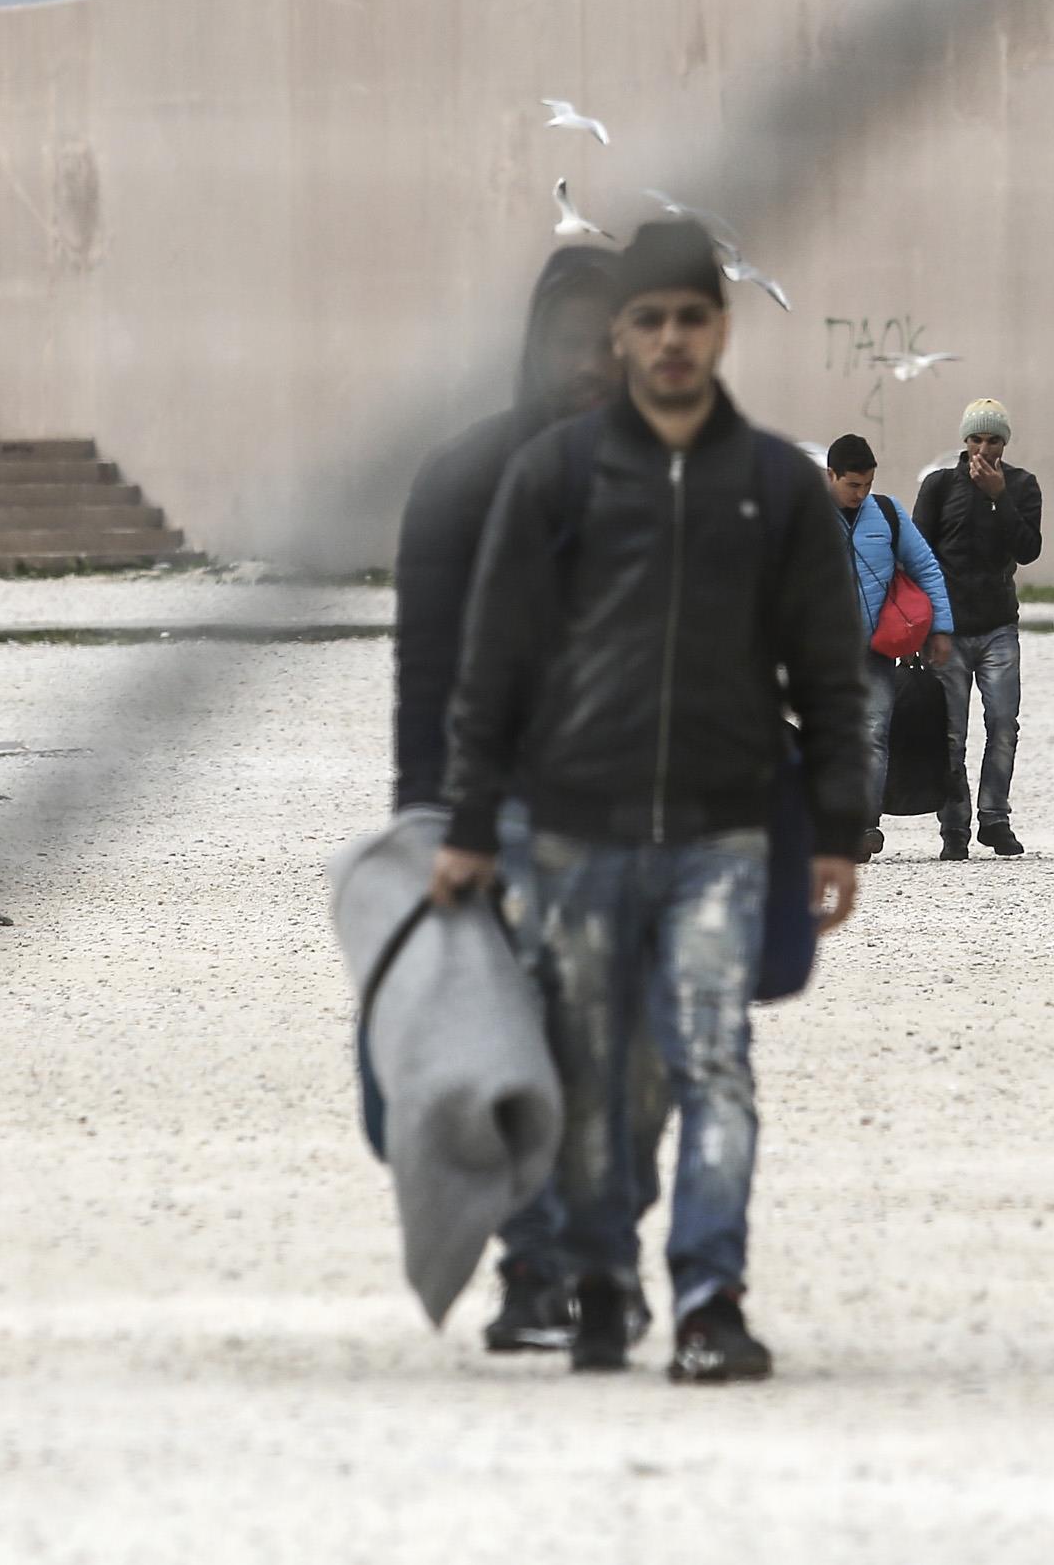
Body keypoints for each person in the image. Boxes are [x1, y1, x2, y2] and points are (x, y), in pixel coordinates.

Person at [430, 220, 872, 1384]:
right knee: (591, 1077)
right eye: (648, 321)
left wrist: (835, 829)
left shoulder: (775, 485)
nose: (670, 341)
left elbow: (827, 667)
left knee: (707, 1064)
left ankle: (710, 1299)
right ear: (622, 338)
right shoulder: (554, 479)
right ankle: (596, 1280)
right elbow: (492, 666)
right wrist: (469, 826)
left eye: (691, 318)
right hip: (575, 833)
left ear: (719, 328)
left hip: (720, 835)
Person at [388, 242, 632, 1353]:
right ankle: (541, 1270)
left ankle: (599, 1260)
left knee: (634, 1063)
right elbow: (425, 681)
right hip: (505, 816)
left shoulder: (684, 476)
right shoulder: (461, 479)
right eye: (569, 341)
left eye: (608, 340)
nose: (590, 364)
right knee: (526, 1048)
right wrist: (424, 829)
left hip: (644, 815)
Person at [913, 399, 1042, 859]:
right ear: (964, 441)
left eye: (992, 440)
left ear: (1004, 443)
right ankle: (954, 826)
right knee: (950, 732)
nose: (983, 449)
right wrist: (926, 626)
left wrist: (998, 496)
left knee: (1003, 724)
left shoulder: (1022, 486)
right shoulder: (939, 485)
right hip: (948, 627)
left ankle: (995, 818)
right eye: (976, 439)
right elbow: (918, 555)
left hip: (998, 625)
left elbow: (1028, 549)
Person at [825, 433, 956, 857]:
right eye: (852, 485)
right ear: (831, 476)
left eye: (867, 485)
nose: (860, 494)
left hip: (876, 650)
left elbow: (927, 568)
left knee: (874, 733)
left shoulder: (887, 513)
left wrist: (940, 628)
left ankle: (865, 824)